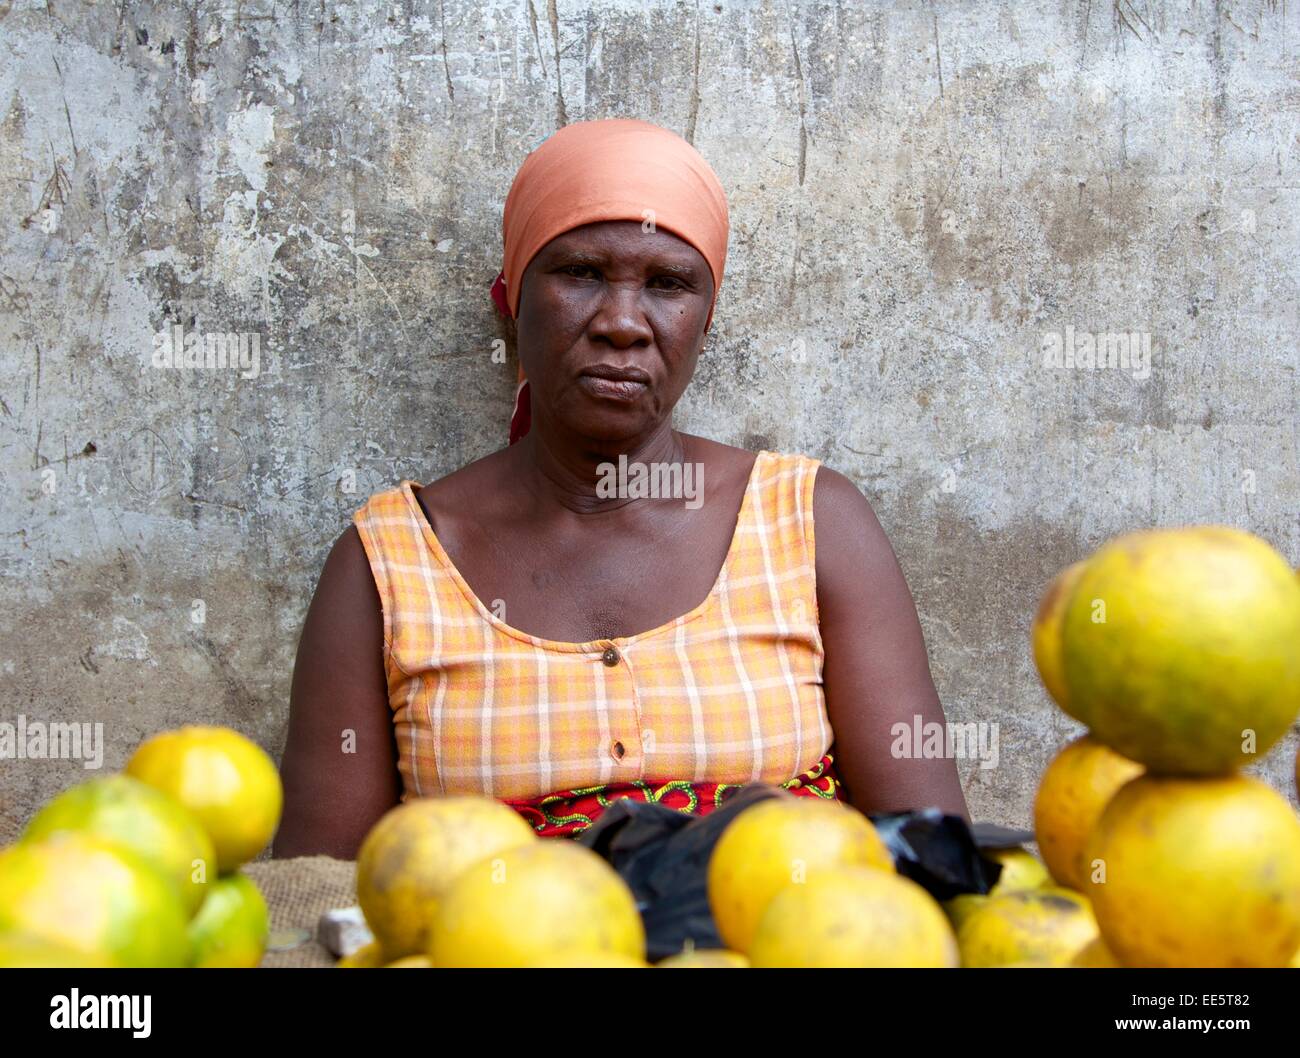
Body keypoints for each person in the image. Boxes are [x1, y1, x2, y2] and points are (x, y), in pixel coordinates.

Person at [273, 118, 968, 859]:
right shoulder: (390, 565)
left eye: (668, 285)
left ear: (706, 320)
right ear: (509, 303)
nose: (622, 324)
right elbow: (316, 896)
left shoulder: (810, 523)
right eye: (581, 273)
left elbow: (931, 856)